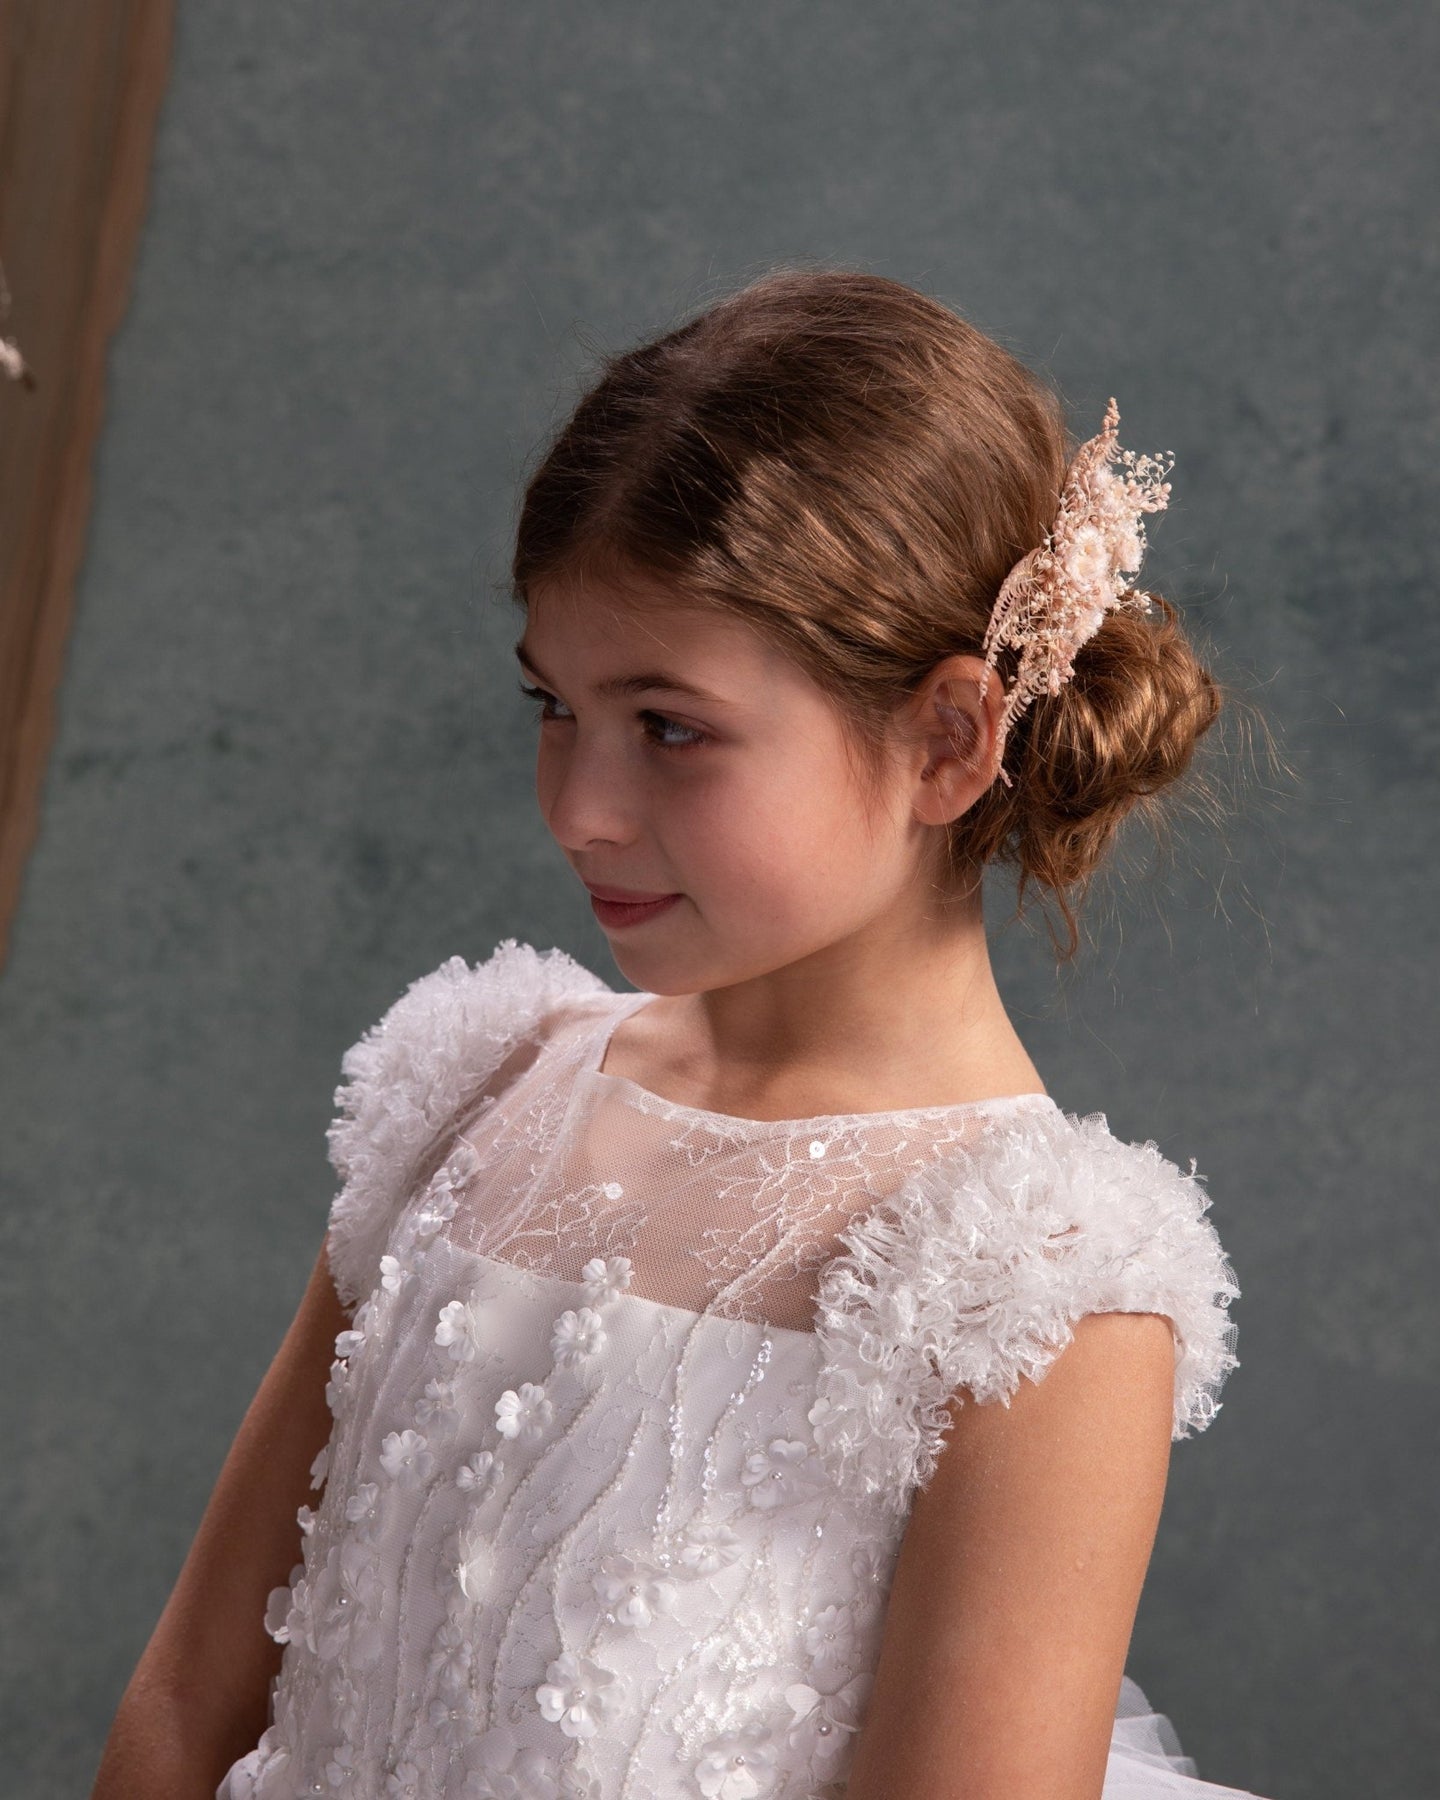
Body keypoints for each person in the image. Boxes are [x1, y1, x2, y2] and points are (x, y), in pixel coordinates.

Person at [93, 267, 1271, 1799]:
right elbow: (186, 1703)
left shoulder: (1034, 1288)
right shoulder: (480, 1086)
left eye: (669, 727)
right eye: (554, 706)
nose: (580, 807)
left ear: (948, 737)